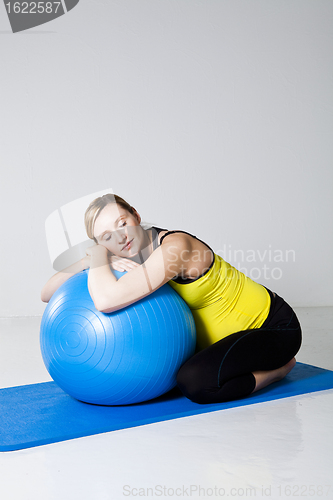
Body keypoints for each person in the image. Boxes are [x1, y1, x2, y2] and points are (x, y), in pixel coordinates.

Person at [41, 193, 302, 405]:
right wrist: (92, 257)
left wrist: (98, 256)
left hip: (271, 326)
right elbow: (47, 292)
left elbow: (106, 300)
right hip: (222, 341)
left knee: (195, 383)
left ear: (136, 215)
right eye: (107, 236)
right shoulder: (126, 254)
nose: (121, 236)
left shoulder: (175, 248)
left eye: (122, 222)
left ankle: (278, 370)